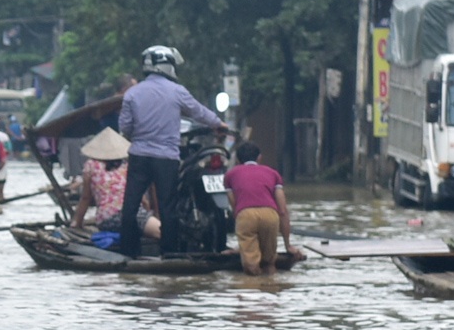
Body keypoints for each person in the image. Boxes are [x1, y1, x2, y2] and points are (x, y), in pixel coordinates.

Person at [117, 45, 226, 258]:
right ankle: (169, 252)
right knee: (168, 207)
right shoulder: (177, 91)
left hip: (139, 155)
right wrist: (217, 123)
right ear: (168, 65)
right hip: (166, 159)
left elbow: (126, 128)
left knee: (130, 205)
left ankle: (128, 252)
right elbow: (199, 111)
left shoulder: (132, 94)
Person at [222, 141, 293, 276]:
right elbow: (282, 210)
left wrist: (243, 247)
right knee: (269, 263)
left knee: (251, 266)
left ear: (237, 159)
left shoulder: (230, 175)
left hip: (245, 214)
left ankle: (252, 291)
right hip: (270, 214)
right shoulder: (273, 174)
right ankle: (270, 289)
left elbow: (235, 207)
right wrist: (288, 245)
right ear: (259, 157)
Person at [71, 128, 132, 232]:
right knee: (161, 232)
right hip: (133, 214)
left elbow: (86, 198)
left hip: (106, 217)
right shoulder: (127, 167)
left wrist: (77, 222)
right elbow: (144, 201)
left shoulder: (91, 165)